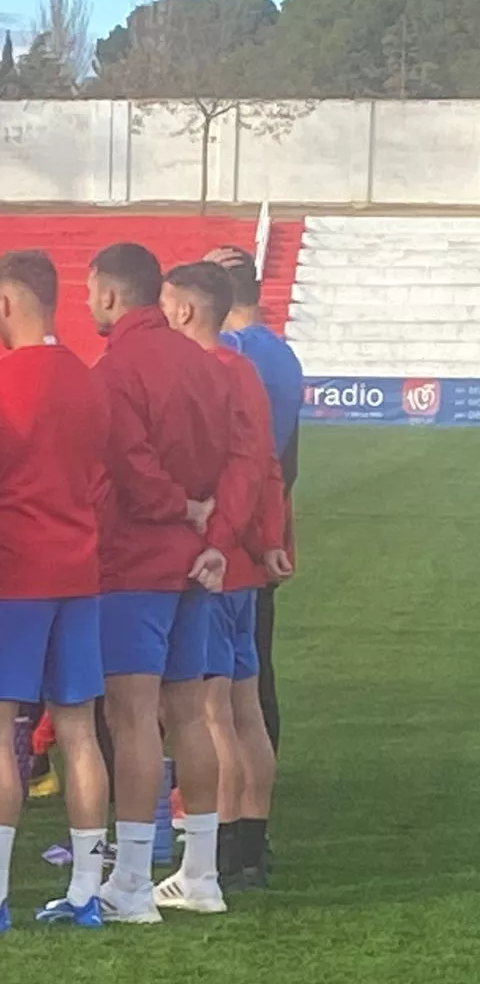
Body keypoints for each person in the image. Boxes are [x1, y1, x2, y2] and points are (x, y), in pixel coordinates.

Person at [89, 242, 260, 923]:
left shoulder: (115, 369)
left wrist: (178, 510)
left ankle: (131, 879)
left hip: (136, 559)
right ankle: (200, 873)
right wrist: (217, 539)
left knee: (132, 717)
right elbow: (248, 460)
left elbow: (128, 465)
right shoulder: (214, 367)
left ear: (107, 295)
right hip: (198, 561)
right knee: (190, 714)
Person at [0, 251, 113, 936]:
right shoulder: (91, 382)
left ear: (6, 302)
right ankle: (84, 891)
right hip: (79, 575)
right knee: (79, 733)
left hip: (10, 577)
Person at [161, 261, 292, 895]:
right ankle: (250, 846)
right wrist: (271, 542)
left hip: (208, 559)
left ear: (185, 310)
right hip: (244, 561)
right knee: (244, 707)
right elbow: (265, 465)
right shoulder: (245, 372)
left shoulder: (198, 375)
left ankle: (212, 853)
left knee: (209, 711)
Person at [207, 244, 302, 764]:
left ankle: (212, 803)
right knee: (253, 668)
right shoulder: (283, 354)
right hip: (264, 527)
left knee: (215, 687)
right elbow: (284, 458)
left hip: (230, 535)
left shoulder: (231, 354)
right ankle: (252, 797)